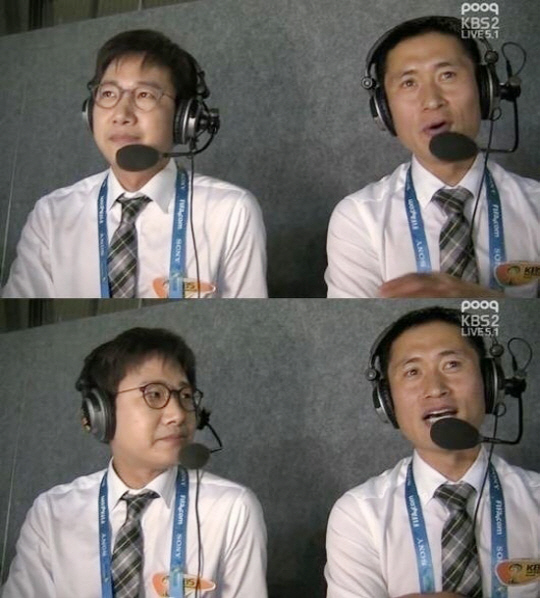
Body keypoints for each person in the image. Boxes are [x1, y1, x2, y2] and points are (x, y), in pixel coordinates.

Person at [2, 327, 268, 597]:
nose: (177, 414)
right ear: (100, 414)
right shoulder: (53, 513)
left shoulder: (231, 509)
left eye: (185, 396)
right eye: (154, 395)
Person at [2, 29, 267, 298]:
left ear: (184, 118)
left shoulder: (231, 211)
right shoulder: (52, 215)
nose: (121, 114)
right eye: (108, 94)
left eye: (144, 95)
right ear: (89, 112)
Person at [325, 306, 540, 597]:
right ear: (387, 402)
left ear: (491, 382)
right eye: (412, 372)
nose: (436, 388)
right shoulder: (359, 514)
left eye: (452, 365)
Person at [325, 16, 540, 298]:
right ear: (384, 111)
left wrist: (486, 300)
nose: (432, 100)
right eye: (409, 83)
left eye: (447, 75)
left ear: (485, 90)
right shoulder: (358, 218)